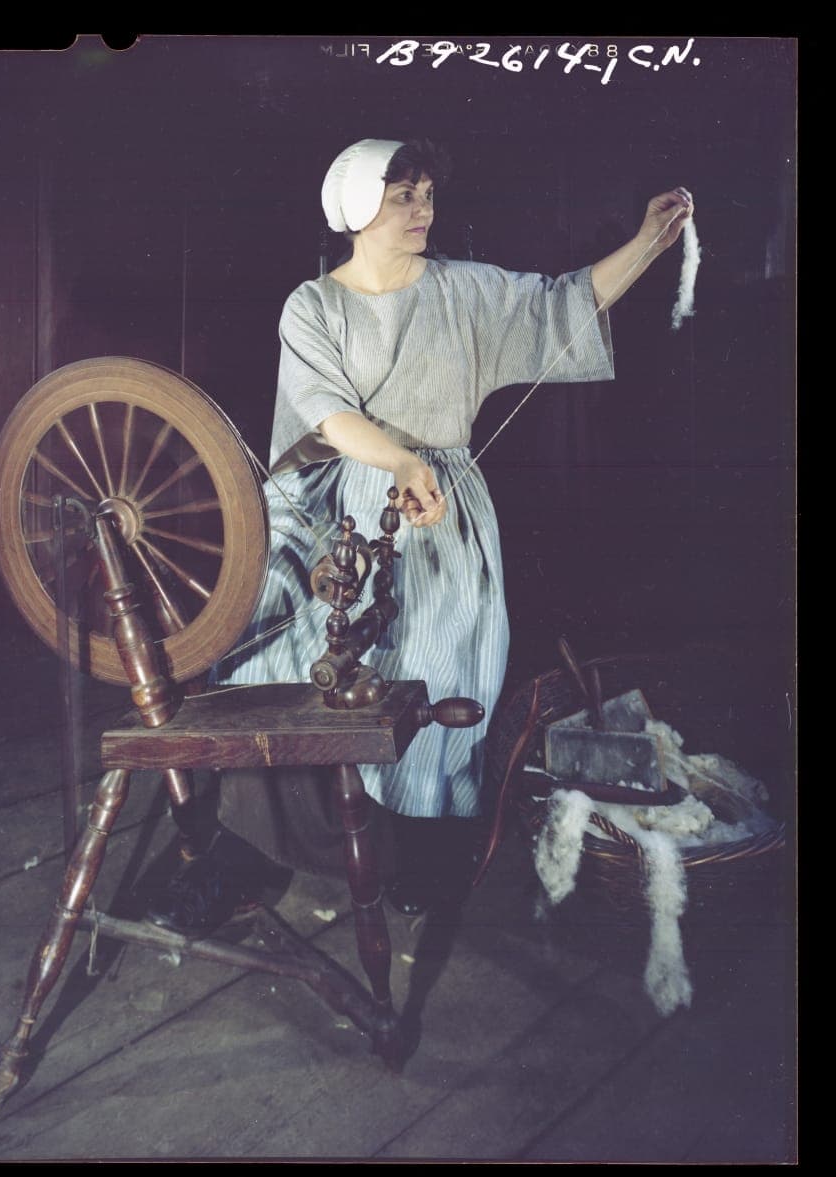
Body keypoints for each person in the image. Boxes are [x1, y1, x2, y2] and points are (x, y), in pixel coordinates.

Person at [148, 138, 694, 933]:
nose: (421, 208)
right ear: (353, 205)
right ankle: (249, 854)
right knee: (281, 662)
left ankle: (423, 854)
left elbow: (561, 303)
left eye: (428, 192)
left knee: (441, 667)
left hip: (440, 506)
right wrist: (397, 458)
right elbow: (327, 412)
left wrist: (647, 241)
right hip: (330, 503)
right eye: (401, 193)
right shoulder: (314, 305)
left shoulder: (465, 289)